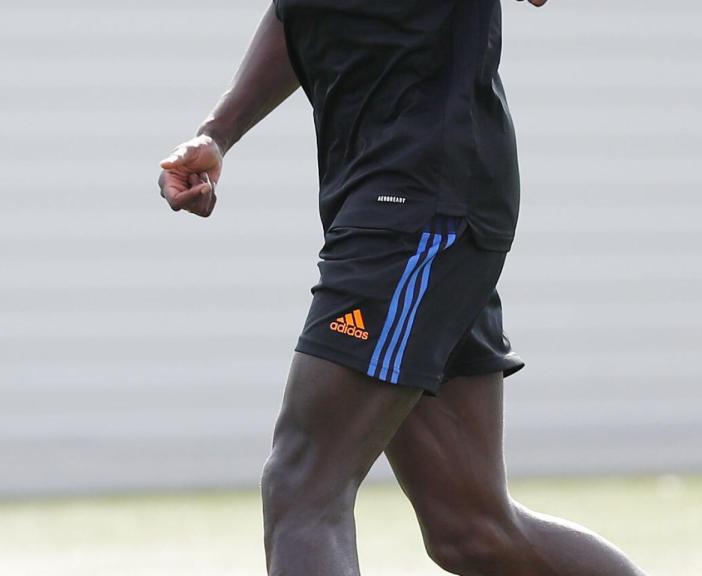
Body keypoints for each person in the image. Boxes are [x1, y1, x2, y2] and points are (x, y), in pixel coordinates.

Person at [158, 1, 647, 574]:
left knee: (303, 484)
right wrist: (217, 134)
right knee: (472, 529)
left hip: (421, 202)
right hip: (392, 202)